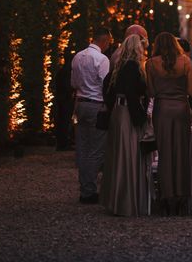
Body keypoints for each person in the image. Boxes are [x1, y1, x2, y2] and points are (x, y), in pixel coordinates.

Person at [100, 34, 150, 216]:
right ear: (137, 48)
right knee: (129, 153)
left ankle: (116, 199)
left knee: (119, 154)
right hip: (128, 112)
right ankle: (126, 201)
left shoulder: (119, 66)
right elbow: (131, 92)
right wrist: (141, 116)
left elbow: (108, 88)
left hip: (119, 112)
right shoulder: (132, 67)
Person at [146, 32, 192, 215]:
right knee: (181, 153)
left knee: (165, 153)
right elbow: (191, 91)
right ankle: (181, 198)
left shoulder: (151, 64)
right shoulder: (185, 62)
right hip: (181, 108)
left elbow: (151, 92)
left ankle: (166, 197)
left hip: (162, 110)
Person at [71, 27, 112, 204]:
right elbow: (106, 85)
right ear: (104, 41)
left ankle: (84, 188)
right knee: (96, 149)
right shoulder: (102, 59)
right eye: (109, 42)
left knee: (82, 147)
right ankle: (90, 190)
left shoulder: (78, 56)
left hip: (80, 103)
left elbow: (73, 83)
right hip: (96, 104)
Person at [54, 51, 74, 151]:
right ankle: (64, 143)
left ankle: (62, 142)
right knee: (65, 121)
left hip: (61, 99)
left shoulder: (61, 71)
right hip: (66, 99)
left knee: (62, 121)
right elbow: (68, 86)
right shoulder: (67, 72)